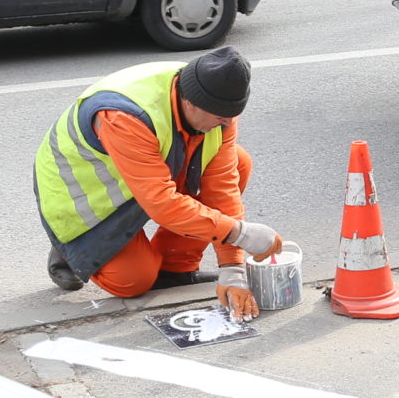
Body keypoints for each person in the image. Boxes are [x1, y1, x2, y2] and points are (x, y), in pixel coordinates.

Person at [35, 49, 282, 312]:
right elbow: (162, 203)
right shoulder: (124, 116)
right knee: (133, 281)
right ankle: (71, 249)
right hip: (85, 197)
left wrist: (233, 268)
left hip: (146, 174)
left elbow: (221, 185)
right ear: (192, 103)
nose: (227, 123)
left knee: (239, 162)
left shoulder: (215, 99)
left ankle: (175, 269)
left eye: (231, 117)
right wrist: (240, 233)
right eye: (221, 118)